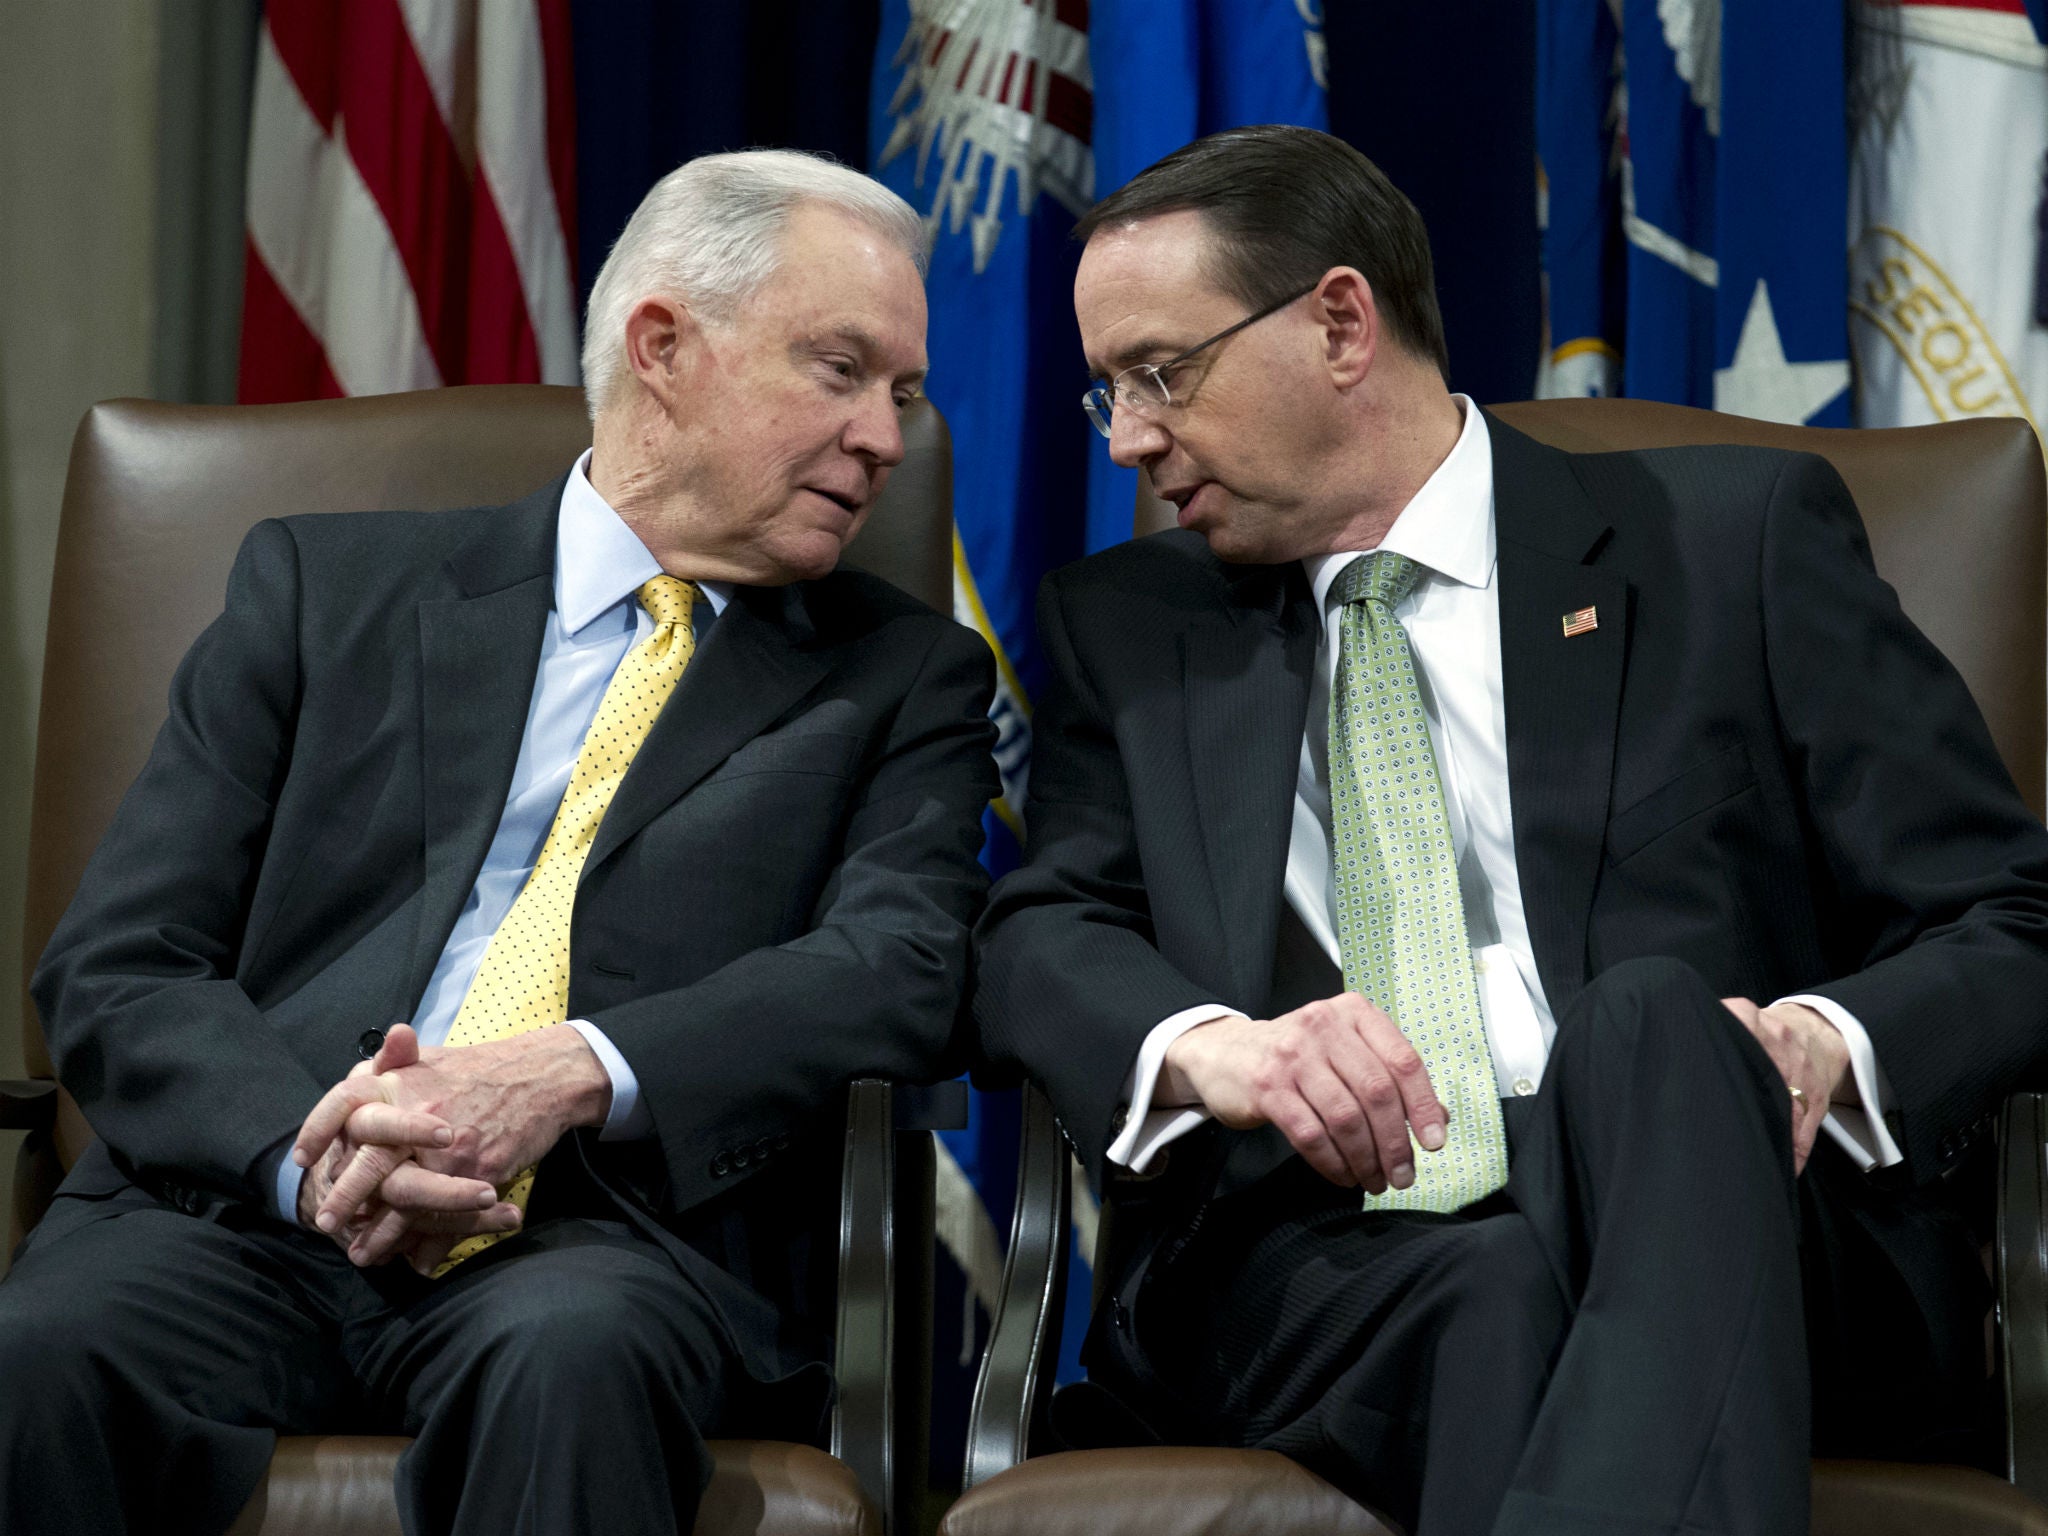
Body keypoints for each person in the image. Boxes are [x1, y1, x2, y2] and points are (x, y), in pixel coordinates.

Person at [973, 124, 2048, 1536]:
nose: (1130, 437)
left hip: (1743, 1203)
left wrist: (1817, 1046)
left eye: (1163, 374)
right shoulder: (1137, 632)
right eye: (1105, 394)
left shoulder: (1730, 549)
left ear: (1342, 323)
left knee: (1654, 1032)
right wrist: (1221, 1049)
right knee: (1497, 1284)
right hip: (1321, 1262)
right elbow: (1034, 935)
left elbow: (2014, 923)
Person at [1, 149, 998, 1536]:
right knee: (34, 1353)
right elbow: (120, 963)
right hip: (248, 1211)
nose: (887, 437)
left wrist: (577, 1069)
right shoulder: (324, 593)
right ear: (664, 348)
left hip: (602, 1244)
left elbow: (899, 968)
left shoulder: (902, 679)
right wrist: (316, 1153)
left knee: (569, 1361)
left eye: (904, 394)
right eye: (841, 372)